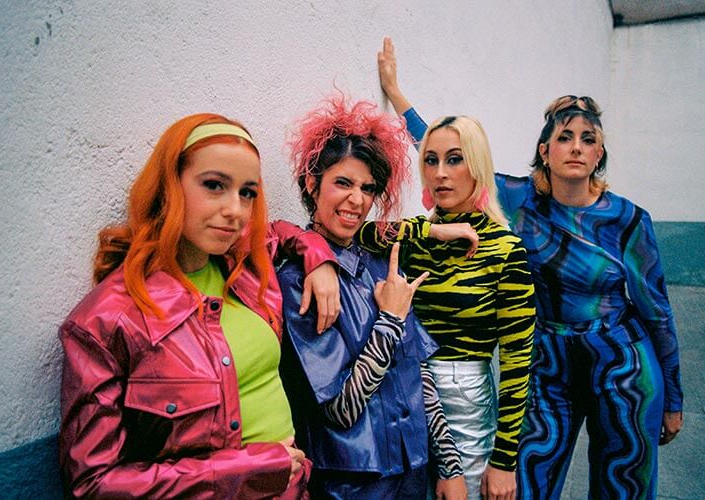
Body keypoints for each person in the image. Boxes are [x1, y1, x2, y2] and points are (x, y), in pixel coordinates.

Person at [377, 37, 684, 499]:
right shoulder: (519, 200)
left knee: (623, 487)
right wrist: (396, 93)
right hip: (548, 366)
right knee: (526, 486)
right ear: (545, 150)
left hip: (622, 367)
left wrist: (673, 397)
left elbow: (657, 312)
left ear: (599, 154)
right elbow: (447, 153)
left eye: (588, 139)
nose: (576, 148)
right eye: (564, 137)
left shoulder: (628, 220)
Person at [58, 113, 341, 498]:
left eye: (247, 192)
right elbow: (93, 485)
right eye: (214, 185)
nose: (235, 210)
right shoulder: (105, 322)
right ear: (168, 187)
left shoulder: (244, 268)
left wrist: (319, 258)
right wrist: (249, 469)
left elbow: (279, 232)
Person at [278, 96, 471, 499]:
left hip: (415, 471)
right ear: (312, 184)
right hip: (351, 484)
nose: (357, 200)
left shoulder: (383, 263)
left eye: (367, 188)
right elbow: (340, 410)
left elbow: (420, 375)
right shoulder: (298, 281)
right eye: (343, 183)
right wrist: (390, 321)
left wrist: (450, 467)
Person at [355, 109, 537, 500]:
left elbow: (518, 362)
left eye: (454, 159)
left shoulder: (505, 250)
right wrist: (433, 229)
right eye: (431, 160)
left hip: (463, 401)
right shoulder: (417, 239)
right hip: (405, 393)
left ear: (478, 166)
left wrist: (505, 460)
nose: (440, 173)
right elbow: (358, 232)